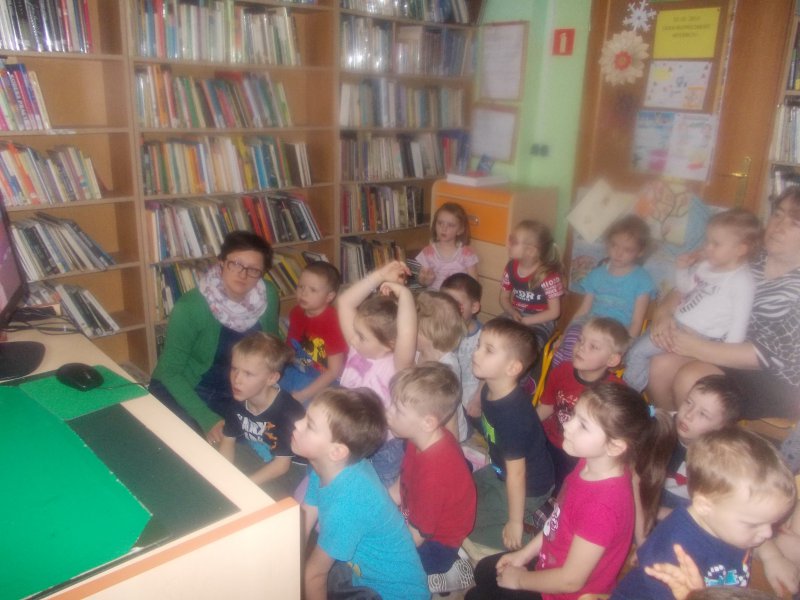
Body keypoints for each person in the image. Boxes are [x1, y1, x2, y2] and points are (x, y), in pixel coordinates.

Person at [467, 382, 676, 600]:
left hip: (564, 593)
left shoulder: (602, 508)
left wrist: (520, 580)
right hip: (549, 562)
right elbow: (556, 522)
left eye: (583, 425)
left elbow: (571, 581)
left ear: (615, 446)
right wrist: (524, 554)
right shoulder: (588, 463)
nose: (567, 424)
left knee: (476, 596)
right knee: (484, 571)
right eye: (574, 415)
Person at [644, 190, 800, 418]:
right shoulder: (746, 256)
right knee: (660, 366)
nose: (779, 226)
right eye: (778, 214)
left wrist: (694, 347)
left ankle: (694, 438)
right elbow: (689, 286)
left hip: (771, 379)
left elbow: (766, 356)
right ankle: (669, 432)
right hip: (716, 347)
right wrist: (663, 315)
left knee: (692, 380)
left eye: (794, 222)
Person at [612, 427, 796, 599]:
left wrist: (773, 557)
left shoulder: (729, 522)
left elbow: (758, 539)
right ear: (704, 506)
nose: (768, 533)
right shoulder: (674, 555)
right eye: (754, 525)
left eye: (770, 523)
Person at [292, 387, 428, 600]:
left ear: (337, 451)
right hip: (360, 577)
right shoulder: (328, 467)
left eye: (309, 425)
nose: (296, 424)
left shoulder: (347, 505)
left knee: (313, 577)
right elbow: (304, 521)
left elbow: (314, 575)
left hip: (392, 595)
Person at [149, 230, 279, 434]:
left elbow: (272, 349)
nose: (243, 274)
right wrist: (206, 418)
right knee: (190, 440)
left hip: (236, 389)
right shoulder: (190, 307)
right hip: (186, 388)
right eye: (236, 264)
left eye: (253, 270)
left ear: (262, 273)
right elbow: (169, 371)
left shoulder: (268, 295)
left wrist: (276, 390)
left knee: (265, 433)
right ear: (221, 263)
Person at [625, 208, 761, 393]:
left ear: (740, 249)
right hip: (676, 322)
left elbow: (738, 325)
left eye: (716, 244)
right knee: (635, 351)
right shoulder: (706, 266)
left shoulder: (741, 281)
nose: (707, 248)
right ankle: (636, 391)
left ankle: (627, 397)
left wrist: (722, 361)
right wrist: (682, 269)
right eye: (707, 241)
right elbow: (684, 288)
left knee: (637, 353)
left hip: (695, 335)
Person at [386, 364, 477, 591]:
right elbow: (401, 484)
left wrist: (384, 546)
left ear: (427, 422)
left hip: (438, 542)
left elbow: (418, 536)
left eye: (397, 410)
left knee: (388, 570)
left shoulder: (435, 474)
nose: (388, 412)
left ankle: (451, 573)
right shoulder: (420, 438)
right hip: (418, 513)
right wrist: (378, 505)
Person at [468, 317, 555, 552]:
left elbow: (517, 475)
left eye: (488, 350)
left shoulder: (513, 416)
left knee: (465, 525)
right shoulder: (490, 388)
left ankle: (540, 544)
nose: (476, 353)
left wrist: (514, 523)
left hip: (528, 487)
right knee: (461, 495)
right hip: (500, 470)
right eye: (479, 345)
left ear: (513, 368)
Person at [337, 259, 417, 486]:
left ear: (390, 344)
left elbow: (407, 332)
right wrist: (380, 275)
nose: (353, 339)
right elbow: (344, 302)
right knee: (348, 479)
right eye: (355, 332)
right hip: (348, 430)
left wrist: (405, 295)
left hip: (383, 446)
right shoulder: (358, 348)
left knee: (379, 488)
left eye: (361, 336)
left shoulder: (398, 366)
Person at [537, 317, 630, 492]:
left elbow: (614, 433)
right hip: (551, 440)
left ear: (611, 360)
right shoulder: (561, 370)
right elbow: (547, 406)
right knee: (541, 480)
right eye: (581, 340)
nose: (581, 347)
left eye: (593, 346)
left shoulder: (616, 391)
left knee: (567, 489)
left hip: (583, 453)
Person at [552, 215, 655, 367]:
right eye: (614, 245)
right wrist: (564, 334)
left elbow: (636, 321)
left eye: (627, 249)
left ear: (640, 252)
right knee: (572, 341)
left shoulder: (642, 279)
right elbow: (583, 310)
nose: (618, 253)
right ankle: (563, 374)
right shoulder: (596, 274)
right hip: (591, 323)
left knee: (600, 350)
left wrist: (627, 347)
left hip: (617, 330)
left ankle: (580, 374)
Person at [217, 332, 304, 496]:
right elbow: (228, 440)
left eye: (248, 374)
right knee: (214, 456)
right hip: (261, 451)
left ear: (271, 378)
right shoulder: (239, 397)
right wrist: (222, 474)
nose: (237, 379)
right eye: (234, 369)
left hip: (291, 466)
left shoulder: (288, 412)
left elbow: (282, 465)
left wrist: (243, 485)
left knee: (263, 495)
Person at [660, 375, 741, 517]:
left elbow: (707, 512)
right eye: (688, 402)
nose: (688, 415)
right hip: (651, 490)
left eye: (703, 414)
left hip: (686, 506)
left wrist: (658, 513)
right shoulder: (661, 425)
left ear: (721, 428)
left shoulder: (718, 461)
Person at [279, 261, 347, 404]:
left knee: (301, 404)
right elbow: (290, 348)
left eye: (313, 290)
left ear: (329, 297)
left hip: (327, 378)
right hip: (300, 367)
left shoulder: (333, 322)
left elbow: (335, 371)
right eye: (301, 287)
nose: (303, 293)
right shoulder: (296, 312)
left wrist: (303, 395)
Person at [499, 220, 564, 350]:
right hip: (516, 315)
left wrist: (527, 321)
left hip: (541, 321)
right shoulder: (511, 267)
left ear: (530, 251)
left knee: (526, 347)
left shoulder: (548, 276)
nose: (508, 244)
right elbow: (504, 298)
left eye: (513, 241)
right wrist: (512, 312)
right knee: (492, 332)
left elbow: (554, 312)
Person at [415, 290, 466, 440]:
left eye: (413, 328)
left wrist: (452, 445)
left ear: (429, 333)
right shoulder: (418, 352)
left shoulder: (447, 365)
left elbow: (451, 417)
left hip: (448, 427)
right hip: (427, 418)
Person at [441, 273, 483, 431]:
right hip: (444, 387)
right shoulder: (439, 330)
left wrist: (478, 399)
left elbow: (487, 376)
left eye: (456, 304)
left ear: (474, 307)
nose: (449, 310)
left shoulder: (484, 337)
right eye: (444, 303)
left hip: (471, 390)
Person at [416, 202, 479, 291]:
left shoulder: (467, 254)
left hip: (456, 298)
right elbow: (422, 282)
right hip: (434, 297)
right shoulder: (428, 252)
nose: (443, 228)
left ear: (460, 230)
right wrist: (426, 280)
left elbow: (474, 284)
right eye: (440, 223)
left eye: (450, 225)